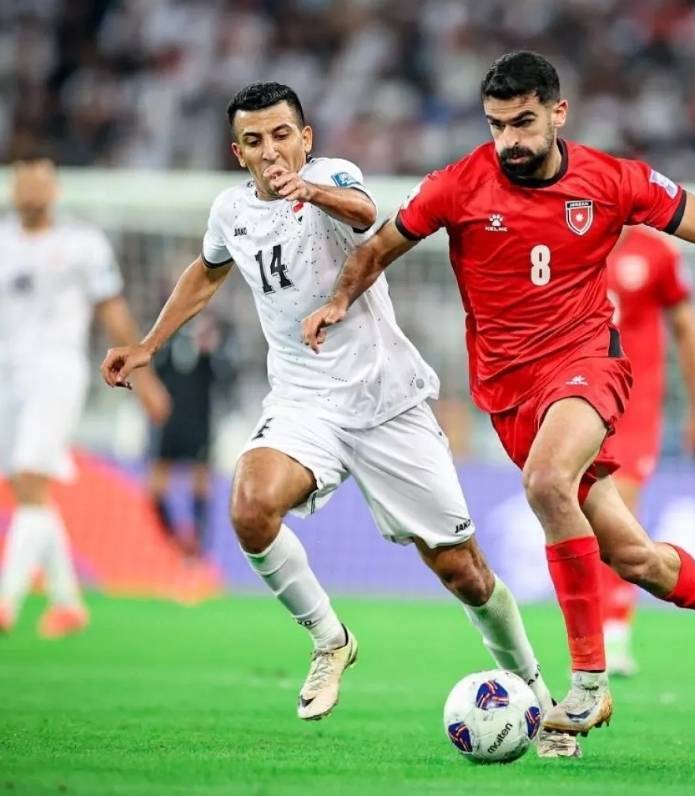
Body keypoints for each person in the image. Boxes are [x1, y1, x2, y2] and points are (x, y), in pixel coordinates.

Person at [302, 51, 695, 738]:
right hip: (507, 396)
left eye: (523, 123)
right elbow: (377, 249)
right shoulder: (457, 185)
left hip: (587, 364)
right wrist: (339, 300)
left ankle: (587, 685)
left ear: (558, 113)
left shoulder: (613, 180)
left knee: (547, 483)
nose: (508, 141)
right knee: (636, 561)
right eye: (496, 126)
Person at [100, 82, 578, 758]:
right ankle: (330, 639)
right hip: (303, 401)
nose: (271, 150)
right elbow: (206, 273)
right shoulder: (230, 211)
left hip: (387, 404)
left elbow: (365, 213)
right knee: (250, 506)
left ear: (306, 138)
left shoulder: (333, 178)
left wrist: (310, 191)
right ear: (238, 152)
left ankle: (540, 697)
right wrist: (149, 343)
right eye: (255, 141)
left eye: (282, 135)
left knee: (464, 572)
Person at [0, 156, 171, 637]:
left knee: (31, 477)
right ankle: (67, 602)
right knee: (26, 489)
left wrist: (146, 382)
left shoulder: (81, 243)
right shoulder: (3, 240)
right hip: (6, 375)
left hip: (56, 370)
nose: (31, 189)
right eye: (23, 180)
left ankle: (6, 600)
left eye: (40, 180)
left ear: (55, 188)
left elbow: (113, 311)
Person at [601, 226, 695, 676]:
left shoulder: (656, 254)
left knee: (618, 508)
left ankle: (613, 632)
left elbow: (686, 327)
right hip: (580, 395)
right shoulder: (570, 236)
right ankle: (595, 630)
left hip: (635, 406)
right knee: (582, 513)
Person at [148, 313, 235, 558]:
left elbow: (226, 381)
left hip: (198, 427)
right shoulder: (164, 351)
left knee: (201, 483)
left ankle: (198, 542)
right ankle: (171, 538)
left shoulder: (210, 357)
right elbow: (152, 380)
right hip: (169, 427)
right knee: (156, 485)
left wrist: (212, 351)